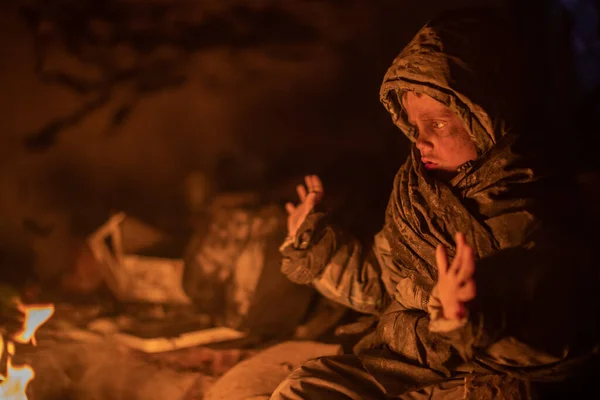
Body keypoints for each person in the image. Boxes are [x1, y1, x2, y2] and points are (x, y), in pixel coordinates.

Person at [273, 8, 599, 400]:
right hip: (411, 363)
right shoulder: (417, 194)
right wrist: (317, 248)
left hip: (486, 378)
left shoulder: (536, 207)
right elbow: (384, 286)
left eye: (439, 123)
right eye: (414, 125)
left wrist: (472, 317)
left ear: (484, 116)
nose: (420, 141)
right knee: (308, 386)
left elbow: (560, 337)